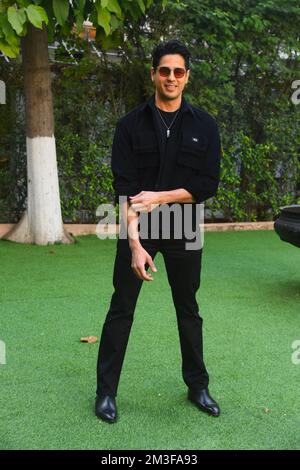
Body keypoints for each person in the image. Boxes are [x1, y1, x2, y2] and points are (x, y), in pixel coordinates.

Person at [95, 39, 221, 423]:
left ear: (186, 77)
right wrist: (134, 243)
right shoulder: (128, 125)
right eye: (164, 70)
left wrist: (160, 197)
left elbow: (207, 184)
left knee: (188, 310)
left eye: (178, 71)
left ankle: (198, 386)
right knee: (122, 308)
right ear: (153, 74)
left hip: (184, 227)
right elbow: (124, 188)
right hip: (139, 227)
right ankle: (106, 393)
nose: (171, 77)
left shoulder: (205, 125)